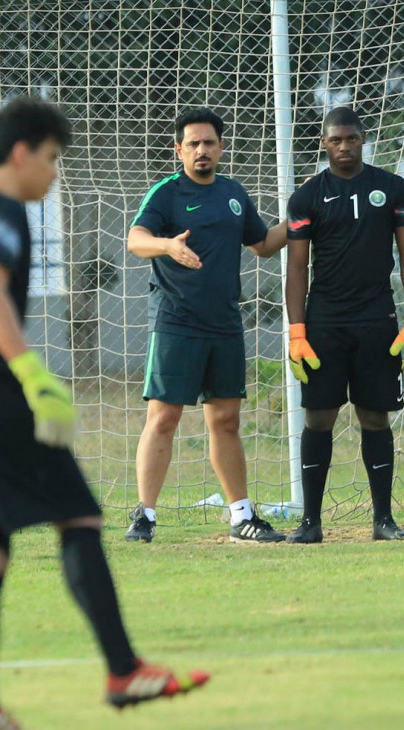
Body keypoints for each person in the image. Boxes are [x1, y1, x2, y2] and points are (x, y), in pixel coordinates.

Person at [0, 97, 209, 730]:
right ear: (22, 153)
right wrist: (34, 377)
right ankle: (124, 671)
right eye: (51, 158)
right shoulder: (3, 212)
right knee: (80, 514)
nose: (55, 173)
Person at [124, 108, 288, 544]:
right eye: (193, 143)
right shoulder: (166, 193)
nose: (202, 150)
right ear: (179, 149)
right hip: (176, 322)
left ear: (220, 147)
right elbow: (135, 239)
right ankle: (145, 516)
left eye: (209, 142)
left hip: (225, 324)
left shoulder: (234, 193)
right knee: (163, 419)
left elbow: (263, 245)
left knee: (227, 421)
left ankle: (241, 517)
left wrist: (299, 219)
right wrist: (166, 247)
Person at [283, 106, 404, 544]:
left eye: (351, 139)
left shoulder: (392, 188)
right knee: (319, 418)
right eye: (335, 140)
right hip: (325, 323)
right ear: (323, 144)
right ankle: (310, 523)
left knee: (375, 418)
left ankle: (383, 520)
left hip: (377, 320)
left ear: (363, 140)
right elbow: (297, 268)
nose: (344, 147)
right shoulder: (306, 197)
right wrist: (297, 331)